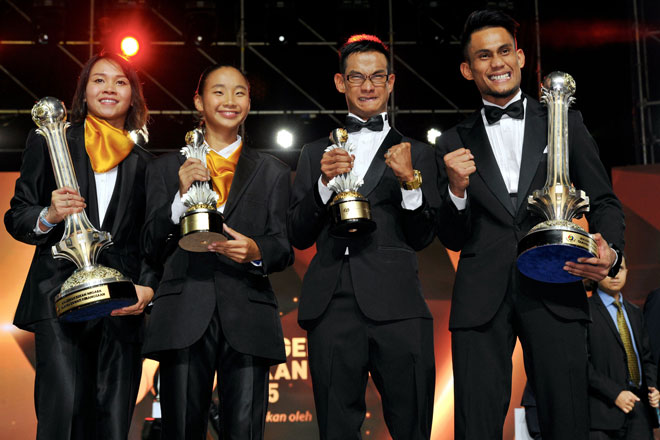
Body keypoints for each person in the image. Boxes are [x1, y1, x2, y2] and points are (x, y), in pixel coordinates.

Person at [436, 9, 625, 440]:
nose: (496, 62)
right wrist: (456, 191)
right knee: (475, 426)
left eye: (505, 51)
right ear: (468, 69)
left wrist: (611, 252)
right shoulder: (451, 143)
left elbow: (606, 200)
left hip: (557, 283)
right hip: (481, 299)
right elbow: (450, 235)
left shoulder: (564, 121)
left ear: (520, 57)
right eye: (483, 56)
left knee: (568, 422)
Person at [288, 34, 439, 439]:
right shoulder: (314, 152)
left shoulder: (419, 153)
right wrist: (323, 182)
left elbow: (423, 236)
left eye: (377, 77)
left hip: (400, 306)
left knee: (413, 425)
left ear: (391, 83)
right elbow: (298, 234)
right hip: (331, 305)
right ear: (341, 83)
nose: (368, 86)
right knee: (336, 429)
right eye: (357, 77)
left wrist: (410, 181)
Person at [4, 52, 156, 439]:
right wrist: (48, 215)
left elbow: (152, 241)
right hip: (59, 298)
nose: (109, 88)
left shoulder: (147, 164)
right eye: (99, 80)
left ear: (134, 97)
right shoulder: (52, 140)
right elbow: (18, 215)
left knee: (113, 419)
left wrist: (148, 287)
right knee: (63, 415)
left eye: (120, 82)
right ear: (83, 92)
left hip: (121, 305)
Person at [141, 65, 292, 439]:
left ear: (249, 103)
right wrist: (179, 197)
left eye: (240, 92)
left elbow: (283, 246)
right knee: (180, 430)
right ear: (198, 101)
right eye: (219, 92)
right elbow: (148, 243)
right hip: (183, 314)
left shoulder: (273, 171)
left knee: (244, 431)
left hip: (248, 314)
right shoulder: (164, 169)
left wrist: (257, 250)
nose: (230, 101)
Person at [588, 258, 660, 439]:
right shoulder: (585, 311)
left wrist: (653, 387)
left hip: (640, 409)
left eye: (619, 268)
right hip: (603, 413)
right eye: (608, 268)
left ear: (627, 272)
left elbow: (647, 357)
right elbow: (581, 363)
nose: (614, 274)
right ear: (596, 273)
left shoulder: (635, 312)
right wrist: (615, 394)